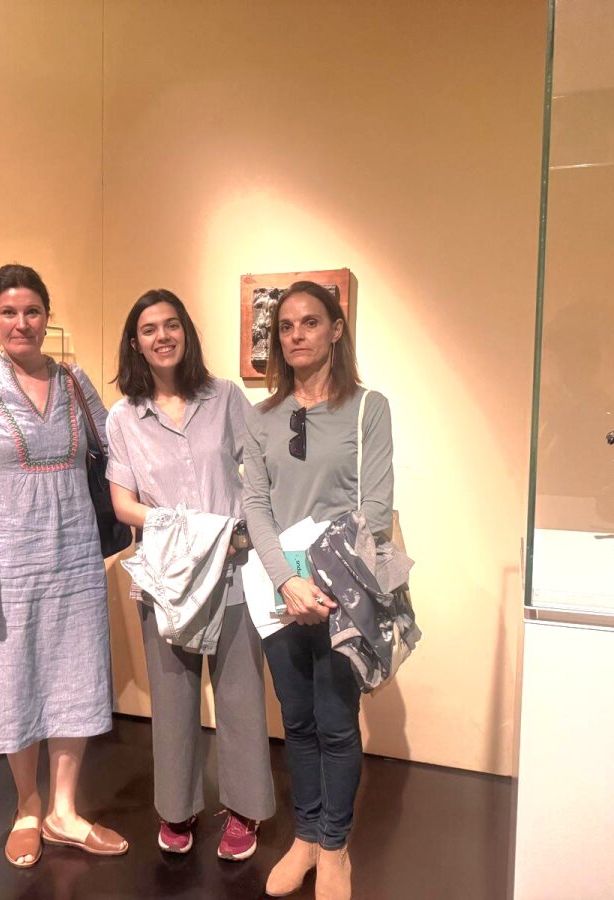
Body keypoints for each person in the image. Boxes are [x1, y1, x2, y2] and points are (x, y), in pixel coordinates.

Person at [0, 263, 127, 868]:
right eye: (9, 312)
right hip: (7, 558)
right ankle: (28, 807)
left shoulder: (75, 381)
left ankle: (65, 810)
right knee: (18, 673)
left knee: (74, 672)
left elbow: (117, 447)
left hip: (75, 554)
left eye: (32, 311)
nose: (22, 322)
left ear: (47, 318)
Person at [105, 289, 275, 860]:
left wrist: (236, 530)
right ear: (136, 343)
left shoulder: (225, 397)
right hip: (168, 579)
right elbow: (123, 504)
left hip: (232, 570)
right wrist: (187, 527)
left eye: (171, 324)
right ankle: (176, 808)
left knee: (241, 696)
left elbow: (258, 474)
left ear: (186, 332)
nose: (162, 336)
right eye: (149, 328)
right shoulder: (124, 416)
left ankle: (245, 809)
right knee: (173, 699)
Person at [242, 281, 393, 900]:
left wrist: (320, 585)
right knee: (297, 722)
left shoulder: (367, 407)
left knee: (336, 723)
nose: (296, 334)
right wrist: (287, 579)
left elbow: (376, 510)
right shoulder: (261, 417)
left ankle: (335, 846)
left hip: (341, 591)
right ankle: (305, 836)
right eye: (285, 326)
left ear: (336, 329)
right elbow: (256, 505)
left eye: (310, 322)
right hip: (281, 593)